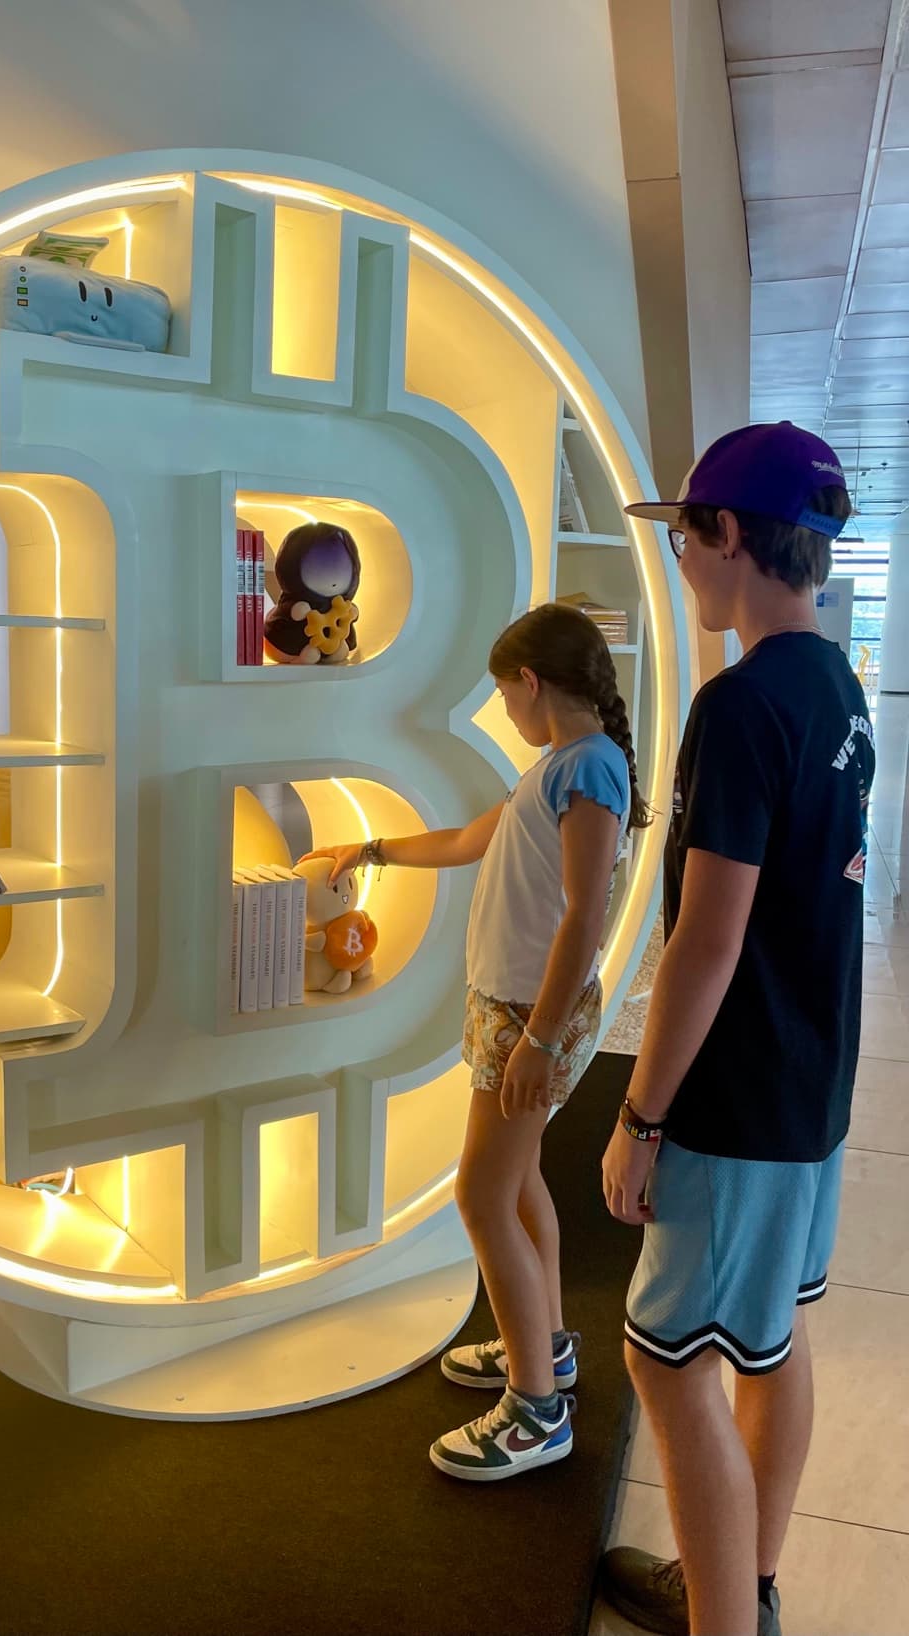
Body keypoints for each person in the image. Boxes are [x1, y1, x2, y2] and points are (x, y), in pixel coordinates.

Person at [599, 422, 873, 1636]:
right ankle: (744, 1587)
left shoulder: (740, 701)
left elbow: (707, 941)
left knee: (665, 1362)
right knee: (768, 1341)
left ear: (727, 537)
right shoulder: (839, 684)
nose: (684, 571)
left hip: (739, 1096)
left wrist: (640, 1115)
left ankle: (724, 1620)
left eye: (687, 543)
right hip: (814, 1090)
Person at [303, 602, 650, 1477]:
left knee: (481, 1196)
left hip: (531, 1014)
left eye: (503, 694)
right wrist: (370, 847)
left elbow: (585, 917)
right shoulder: (561, 765)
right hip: (512, 1009)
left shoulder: (589, 772)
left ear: (531, 682)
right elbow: (467, 841)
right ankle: (547, 1347)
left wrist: (536, 1038)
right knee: (516, 1179)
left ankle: (536, 1409)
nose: (502, 711)